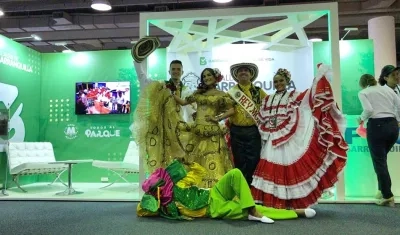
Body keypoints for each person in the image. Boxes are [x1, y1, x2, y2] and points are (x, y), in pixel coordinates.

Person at [251, 64, 348, 209]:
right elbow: (262, 117)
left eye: (281, 81)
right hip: (271, 136)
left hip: (288, 137)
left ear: (287, 81)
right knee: (269, 165)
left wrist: (318, 80)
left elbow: (309, 98)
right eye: (276, 81)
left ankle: (290, 202)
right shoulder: (268, 99)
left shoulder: (294, 95)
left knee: (287, 167)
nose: (278, 84)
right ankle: (271, 202)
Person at [136, 159, 317, 223]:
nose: (160, 189)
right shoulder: (162, 207)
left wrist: (189, 164)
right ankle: (295, 213)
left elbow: (199, 172)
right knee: (251, 210)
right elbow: (141, 211)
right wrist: (154, 200)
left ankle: (252, 210)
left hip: (214, 193)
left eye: (160, 185)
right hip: (214, 210)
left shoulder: (180, 185)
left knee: (235, 173)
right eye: (155, 188)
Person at [131, 36, 195, 173]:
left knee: (181, 164)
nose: (176, 71)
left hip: (180, 132)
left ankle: (178, 191)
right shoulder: (161, 86)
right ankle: (162, 190)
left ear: (182, 72)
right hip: (162, 131)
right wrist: (137, 62)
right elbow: (143, 79)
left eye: (178, 69)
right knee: (162, 162)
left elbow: (191, 112)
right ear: (169, 71)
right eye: (173, 69)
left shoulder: (188, 91)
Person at [172, 68, 234, 188]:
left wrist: (218, 118)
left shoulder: (221, 94)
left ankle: (212, 191)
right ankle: (194, 190)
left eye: (209, 75)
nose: (206, 78)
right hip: (197, 133)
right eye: (204, 76)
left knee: (213, 161)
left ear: (215, 77)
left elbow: (232, 109)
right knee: (194, 161)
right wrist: (170, 94)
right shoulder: (198, 93)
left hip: (213, 134)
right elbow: (184, 102)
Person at [357, 73, 400, 207]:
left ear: (363, 83)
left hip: (377, 127)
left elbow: (368, 110)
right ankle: (382, 190)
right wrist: (397, 121)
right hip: (393, 127)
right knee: (382, 160)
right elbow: (398, 106)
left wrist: (361, 118)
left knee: (379, 162)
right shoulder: (388, 90)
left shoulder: (364, 92)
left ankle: (387, 195)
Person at [225, 63, 267, 186]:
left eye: (246, 71)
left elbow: (267, 107)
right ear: (236, 75)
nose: (243, 72)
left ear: (251, 74)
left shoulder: (259, 92)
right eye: (240, 71)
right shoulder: (231, 93)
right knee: (239, 160)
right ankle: (242, 188)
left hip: (253, 130)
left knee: (254, 160)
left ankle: (253, 188)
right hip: (236, 130)